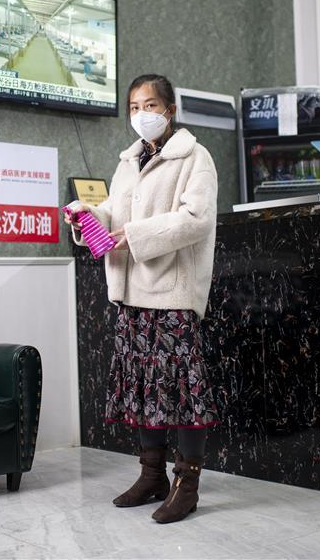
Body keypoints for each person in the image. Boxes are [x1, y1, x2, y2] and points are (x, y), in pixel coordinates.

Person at [64, 74, 219, 524]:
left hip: (172, 292)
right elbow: (114, 213)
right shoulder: (128, 161)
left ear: (170, 110)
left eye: (150, 105)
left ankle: (187, 486)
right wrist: (87, 216)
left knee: (183, 393)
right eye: (134, 107)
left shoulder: (195, 157)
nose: (141, 114)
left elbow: (196, 219)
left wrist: (132, 235)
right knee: (144, 388)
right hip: (132, 293)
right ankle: (152, 476)